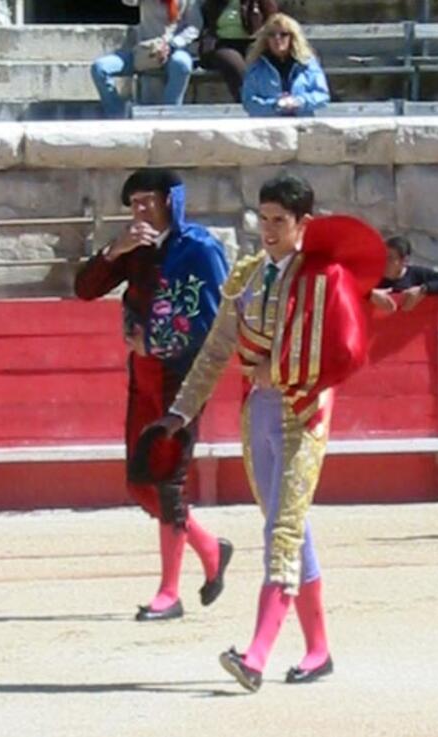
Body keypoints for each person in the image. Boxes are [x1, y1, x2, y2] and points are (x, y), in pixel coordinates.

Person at [149, 174, 385, 691]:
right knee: (290, 527)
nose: (269, 228)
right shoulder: (248, 275)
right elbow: (215, 351)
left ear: (304, 224)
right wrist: (181, 411)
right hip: (258, 415)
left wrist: (271, 373)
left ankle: (255, 657)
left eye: (281, 220)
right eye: (264, 218)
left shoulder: (323, 276)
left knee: (281, 530)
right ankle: (319, 650)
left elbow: (339, 349)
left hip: (304, 412)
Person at [75, 168, 233, 621]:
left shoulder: (200, 248)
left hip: (182, 376)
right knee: (139, 481)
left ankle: (169, 592)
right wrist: (112, 250)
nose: (140, 211)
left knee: (166, 481)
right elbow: (84, 290)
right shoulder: (134, 249)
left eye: (149, 201)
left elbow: (220, 315)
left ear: (171, 202)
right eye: (134, 203)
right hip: (143, 373)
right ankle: (209, 548)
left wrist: (163, 340)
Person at [91, 0, 203, 118]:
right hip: (144, 51)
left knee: (182, 64)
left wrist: (173, 44)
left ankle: (170, 114)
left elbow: (194, 26)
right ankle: (117, 114)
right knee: (99, 68)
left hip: (173, 50)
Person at [242, 12, 330, 117]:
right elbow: (249, 103)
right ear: (266, 39)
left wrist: (299, 101)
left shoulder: (307, 63)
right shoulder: (256, 65)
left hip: (302, 124)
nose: (277, 38)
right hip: (267, 126)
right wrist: (275, 105)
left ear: (293, 37)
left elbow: (322, 96)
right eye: (272, 34)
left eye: (283, 34)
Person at [198, 0, 278, 102]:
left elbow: (273, 20)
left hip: (252, 43)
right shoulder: (214, 3)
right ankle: (249, 104)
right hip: (222, 44)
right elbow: (205, 25)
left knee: (264, 64)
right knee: (237, 67)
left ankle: (273, 102)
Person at [370, 235, 438, 313]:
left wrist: (423, 290)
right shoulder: (372, 277)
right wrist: (370, 294)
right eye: (383, 257)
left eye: (390, 258)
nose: (384, 262)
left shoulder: (416, 274)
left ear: (404, 260)